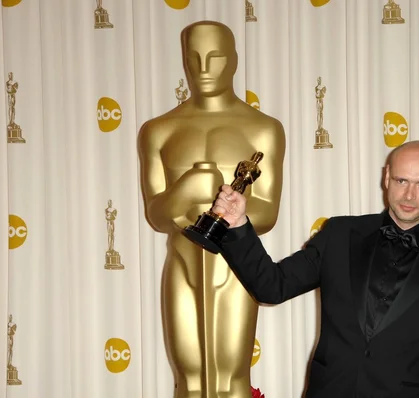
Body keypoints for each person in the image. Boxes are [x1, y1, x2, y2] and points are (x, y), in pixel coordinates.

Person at [212, 140, 419, 398]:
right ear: (387, 176)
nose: (409, 195)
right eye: (402, 180)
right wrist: (237, 226)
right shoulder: (340, 234)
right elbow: (272, 286)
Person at [137, 20, 285, 398]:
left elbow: (267, 213)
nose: (203, 70)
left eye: (215, 58)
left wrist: (234, 210)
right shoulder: (159, 130)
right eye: (194, 59)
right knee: (188, 377)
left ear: (234, 61)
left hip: (237, 266)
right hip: (183, 262)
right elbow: (156, 215)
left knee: (231, 376)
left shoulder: (262, 128)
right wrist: (187, 188)